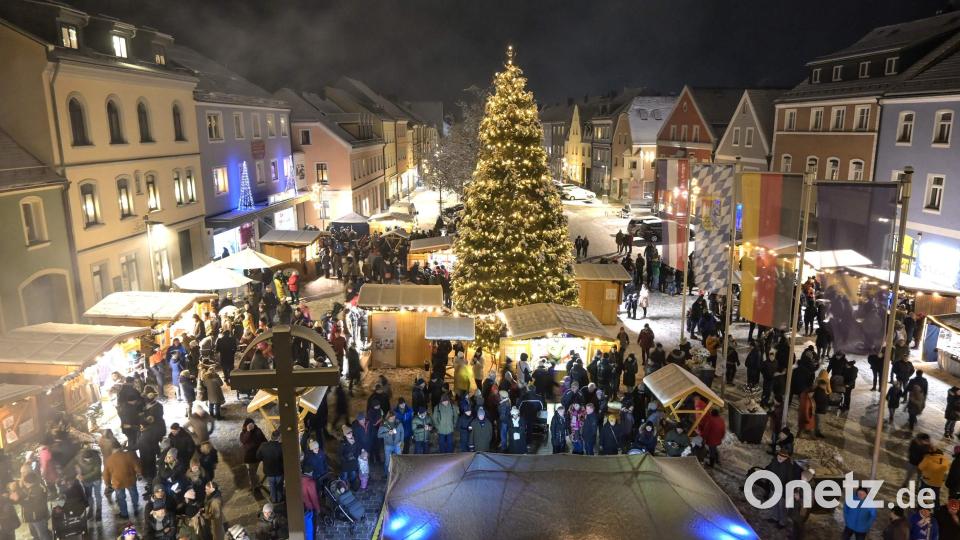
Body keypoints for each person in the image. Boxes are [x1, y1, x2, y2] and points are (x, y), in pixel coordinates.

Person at [103, 445, 141, 520]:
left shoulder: (109, 459)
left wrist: (108, 484)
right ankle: (136, 509)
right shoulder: (129, 455)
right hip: (130, 480)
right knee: (134, 494)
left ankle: (124, 514)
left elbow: (106, 474)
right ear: (121, 448)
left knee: (121, 498)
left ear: (113, 450)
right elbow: (137, 466)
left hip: (118, 482)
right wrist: (139, 474)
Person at [11, 472, 50, 540]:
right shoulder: (31, 488)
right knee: (36, 535)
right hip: (33, 518)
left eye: (25, 482)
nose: (24, 483)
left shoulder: (38, 489)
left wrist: (19, 500)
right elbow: (24, 497)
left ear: (29, 482)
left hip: (38, 518)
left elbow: (31, 505)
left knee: (43, 535)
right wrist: (16, 498)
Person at [240, 419, 267, 494]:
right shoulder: (243, 433)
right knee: (252, 473)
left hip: (256, 457)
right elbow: (243, 440)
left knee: (252, 473)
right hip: (249, 457)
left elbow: (264, 440)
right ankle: (255, 485)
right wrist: (248, 431)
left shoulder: (258, 431)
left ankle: (255, 486)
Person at [256, 430, 284, 504]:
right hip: (279, 471)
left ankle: (274, 500)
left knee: (272, 487)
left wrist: (265, 459)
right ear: (279, 437)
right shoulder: (281, 446)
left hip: (269, 471)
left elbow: (258, 456)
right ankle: (280, 500)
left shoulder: (263, 445)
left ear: (271, 437)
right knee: (279, 487)